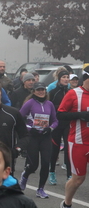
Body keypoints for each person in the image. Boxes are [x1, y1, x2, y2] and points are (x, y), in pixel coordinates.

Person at [19, 82, 58, 199]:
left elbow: (55, 121)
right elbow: (20, 119)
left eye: (43, 89)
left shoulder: (49, 104)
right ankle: (25, 175)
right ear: (34, 91)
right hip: (33, 137)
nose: (41, 91)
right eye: (38, 90)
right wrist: (30, 129)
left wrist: (50, 128)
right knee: (33, 165)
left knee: (46, 163)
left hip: (45, 137)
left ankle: (41, 189)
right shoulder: (29, 103)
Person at [58, 67, 89, 208]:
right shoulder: (74, 94)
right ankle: (66, 203)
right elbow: (60, 114)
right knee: (78, 179)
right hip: (78, 142)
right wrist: (80, 115)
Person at [48, 70, 72, 184]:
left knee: (68, 149)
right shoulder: (53, 92)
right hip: (56, 123)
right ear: (59, 78)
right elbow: (49, 107)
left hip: (68, 123)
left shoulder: (71, 92)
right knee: (55, 148)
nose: (66, 79)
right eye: (64, 77)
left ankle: (69, 175)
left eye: (67, 77)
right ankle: (52, 171)